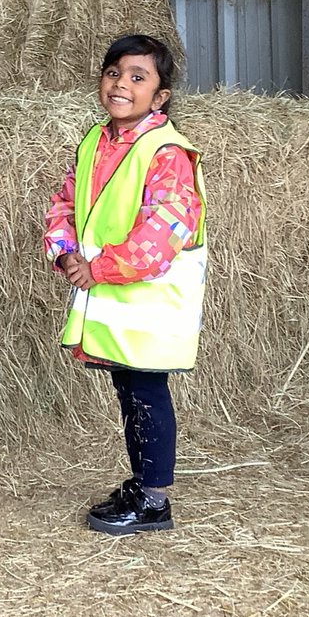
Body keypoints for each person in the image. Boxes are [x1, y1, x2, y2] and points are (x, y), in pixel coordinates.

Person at [43, 34, 208, 536]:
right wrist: (65, 253)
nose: (121, 84)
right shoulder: (96, 142)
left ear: (159, 98)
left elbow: (163, 233)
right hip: (111, 301)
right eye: (114, 73)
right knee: (129, 390)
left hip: (149, 305)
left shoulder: (167, 153)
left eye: (138, 78)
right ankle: (141, 484)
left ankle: (154, 500)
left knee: (146, 392)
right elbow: (65, 204)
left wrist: (100, 268)